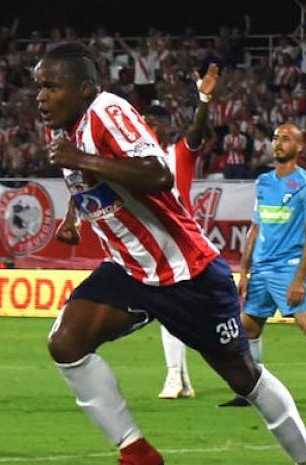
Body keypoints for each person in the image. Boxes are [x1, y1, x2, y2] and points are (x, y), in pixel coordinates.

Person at [35, 44, 306, 465]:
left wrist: (82, 158)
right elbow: (91, 185)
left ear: (85, 88)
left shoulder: (106, 113)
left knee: (244, 377)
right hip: (131, 271)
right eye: (39, 86)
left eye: (51, 86)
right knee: (65, 343)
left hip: (187, 272)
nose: (41, 96)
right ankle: (135, 451)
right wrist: (74, 211)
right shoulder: (64, 133)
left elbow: (156, 174)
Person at [218, 123, 306, 414]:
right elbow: (255, 227)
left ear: (300, 147)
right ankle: (250, 391)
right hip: (261, 271)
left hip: (288, 269)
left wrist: (299, 279)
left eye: (286, 139)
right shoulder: (264, 182)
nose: (278, 143)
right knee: (249, 329)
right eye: (276, 138)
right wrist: (244, 271)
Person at [138, 63, 218, 401]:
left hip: (182, 241)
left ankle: (176, 377)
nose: (144, 128)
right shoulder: (136, 161)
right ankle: (180, 379)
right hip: (157, 241)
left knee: (176, 310)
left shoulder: (177, 154)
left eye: (150, 124)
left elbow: (197, 133)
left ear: (165, 129)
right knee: (172, 309)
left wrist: (203, 99)